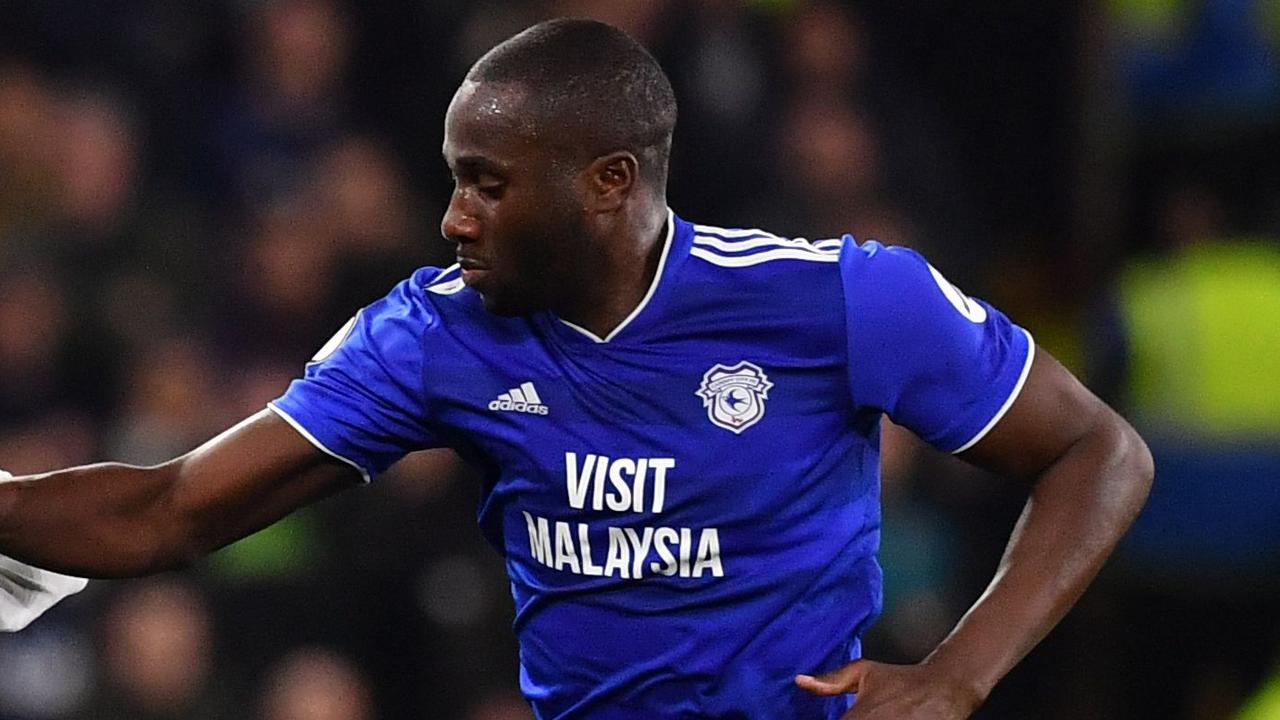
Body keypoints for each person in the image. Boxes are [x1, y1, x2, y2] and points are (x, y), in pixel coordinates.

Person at [0, 18, 1153, 720]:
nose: (452, 218)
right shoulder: (433, 332)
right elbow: (169, 510)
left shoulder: (841, 298)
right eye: (455, 176)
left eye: (488, 183)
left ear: (609, 184)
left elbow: (1096, 449)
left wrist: (957, 675)